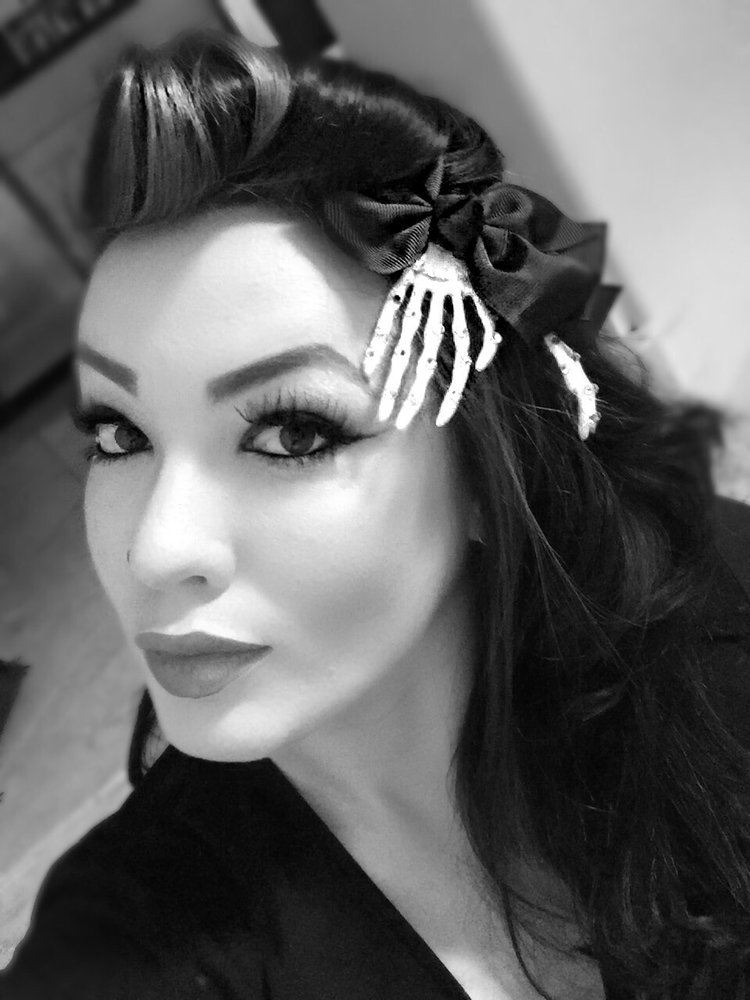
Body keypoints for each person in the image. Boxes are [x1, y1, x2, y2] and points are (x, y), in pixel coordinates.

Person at [2, 25, 750, 1000]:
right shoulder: (131, 944)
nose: (156, 548)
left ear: (487, 468)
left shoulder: (714, 612)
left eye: (292, 433)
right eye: (119, 434)